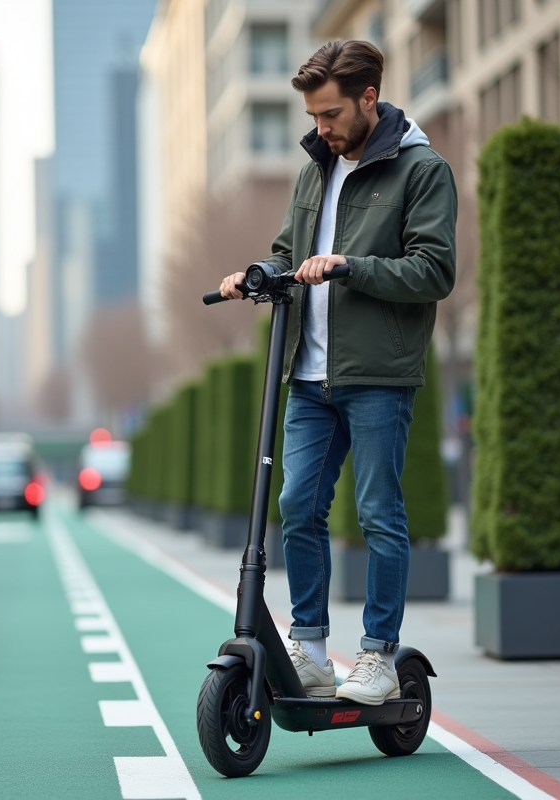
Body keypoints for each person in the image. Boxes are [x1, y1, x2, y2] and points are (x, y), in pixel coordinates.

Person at [218, 40, 456, 705]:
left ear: (368, 99)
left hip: (379, 373)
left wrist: (351, 265)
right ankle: (313, 649)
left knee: (378, 511)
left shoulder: (421, 170)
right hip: (308, 374)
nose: (319, 128)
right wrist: (255, 275)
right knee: (297, 507)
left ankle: (378, 655)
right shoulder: (314, 170)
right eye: (314, 115)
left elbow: (434, 270)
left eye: (329, 114)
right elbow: (291, 251)